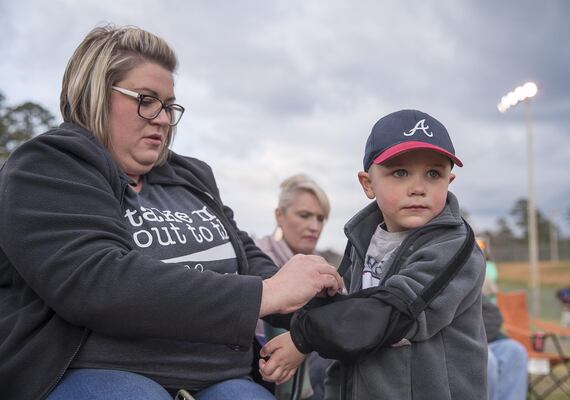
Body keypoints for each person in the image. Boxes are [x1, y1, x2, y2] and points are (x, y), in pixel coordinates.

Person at [0, 24, 343, 400]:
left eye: (168, 105)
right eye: (146, 99)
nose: (163, 119)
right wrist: (266, 293)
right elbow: (100, 283)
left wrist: (312, 298)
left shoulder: (192, 176)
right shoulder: (46, 167)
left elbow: (247, 260)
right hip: (98, 371)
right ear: (95, 94)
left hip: (220, 375)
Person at [259, 109, 487, 399]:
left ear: (449, 181)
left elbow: (392, 313)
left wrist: (303, 338)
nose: (418, 188)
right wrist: (265, 303)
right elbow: (343, 312)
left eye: (433, 173)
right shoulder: (363, 238)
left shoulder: (453, 246)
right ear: (368, 184)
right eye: (400, 172)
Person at [255, 174, 335, 400]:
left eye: (321, 218)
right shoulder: (255, 258)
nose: (314, 226)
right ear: (279, 216)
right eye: (305, 215)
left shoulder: (324, 268)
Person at [483, 294, 528, 400]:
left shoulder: (468, 285)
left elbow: (492, 314)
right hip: (450, 344)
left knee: (515, 351)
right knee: (488, 360)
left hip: (483, 339)